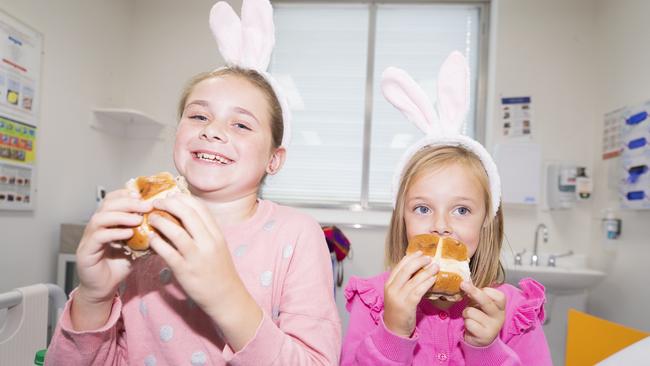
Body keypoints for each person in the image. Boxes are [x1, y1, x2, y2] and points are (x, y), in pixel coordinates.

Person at [46, 1, 340, 365]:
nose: (212, 130)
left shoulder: (297, 235)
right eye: (199, 115)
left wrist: (225, 295)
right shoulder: (141, 230)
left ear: (273, 159)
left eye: (241, 124)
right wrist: (93, 296)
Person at [340, 52, 551, 365]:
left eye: (462, 210)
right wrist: (393, 333)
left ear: (486, 222)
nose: (440, 225)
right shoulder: (374, 302)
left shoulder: (514, 311)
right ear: (402, 220)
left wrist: (487, 350)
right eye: (423, 209)